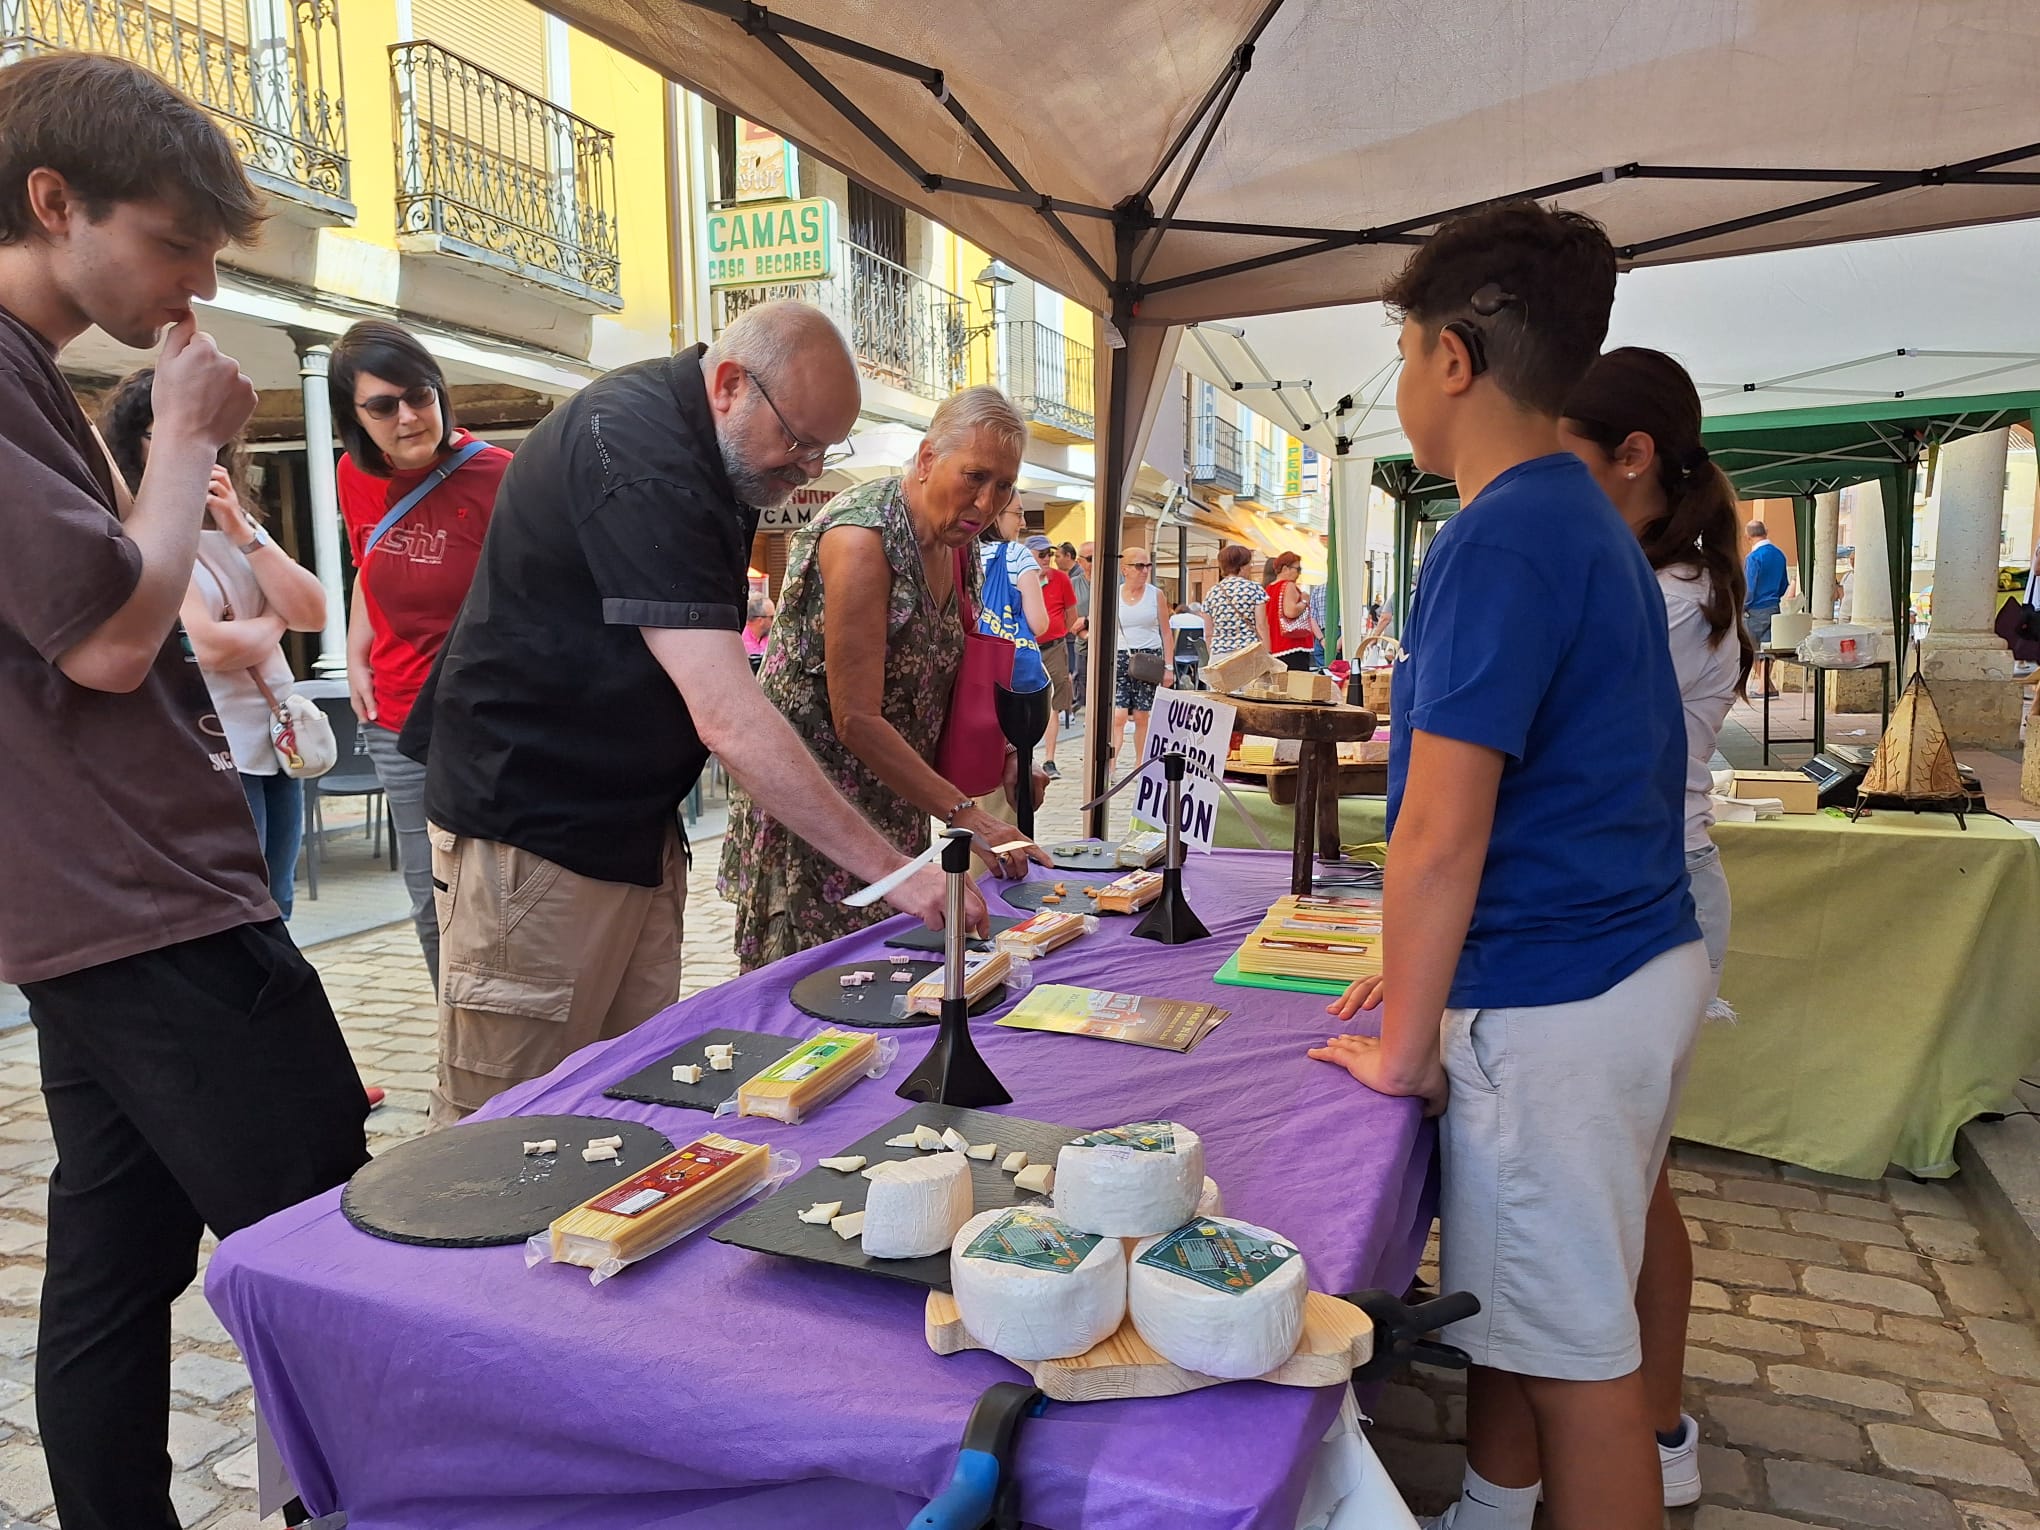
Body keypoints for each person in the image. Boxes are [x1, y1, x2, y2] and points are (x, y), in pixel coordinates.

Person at [0, 52, 368, 1530]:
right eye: (172, 242)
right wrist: (186, 436)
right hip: (142, 893)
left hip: (96, 896)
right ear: (50, 199)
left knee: (112, 1258)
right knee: (343, 1237)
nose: (195, 282)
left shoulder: (34, 369)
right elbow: (104, 639)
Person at [1310, 203, 1708, 1530]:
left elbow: (1441, 827)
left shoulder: (1501, 531)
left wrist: (1407, 1043)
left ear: (1454, 359)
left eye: (1408, 350)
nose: (1405, 381)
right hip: (1605, 966)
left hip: (1558, 995)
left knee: (1579, 1364)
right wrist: (1406, 972)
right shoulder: (1570, 512)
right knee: (1549, 1330)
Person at [400, 299, 957, 1124]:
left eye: (825, 448)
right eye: (797, 442)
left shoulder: (712, 448)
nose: (807, 467)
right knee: (501, 1131)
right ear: (730, 384)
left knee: (628, 1109)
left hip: (628, 829)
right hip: (534, 834)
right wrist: (898, 870)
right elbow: (727, 715)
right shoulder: (641, 451)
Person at [1560, 345, 1753, 1509]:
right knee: (1637, 1179)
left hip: (1649, 890)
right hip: (1654, 883)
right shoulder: (1666, 576)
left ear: (1634, 460)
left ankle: (1649, 1425)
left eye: (1567, 464)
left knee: (1631, 1186)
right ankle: (1648, 1422)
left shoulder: (1668, 597)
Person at [721, 385, 1048, 968]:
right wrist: (964, 814)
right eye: (974, 476)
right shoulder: (861, 537)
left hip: (891, 803)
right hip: (816, 813)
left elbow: (945, 672)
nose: (987, 501)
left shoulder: (957, 539)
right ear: (927, 460)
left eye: (1003, 485)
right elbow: (856, 718)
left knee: (885, 984)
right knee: (815, 1006)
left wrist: (1006, 753)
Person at [100, 367, 327, 919]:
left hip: (277, 744)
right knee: (241, 907)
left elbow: (314, 610)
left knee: (281, 902)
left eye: (208, 432)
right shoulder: (140, 529)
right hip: (212, 745)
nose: (195, 447)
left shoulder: (235, 521)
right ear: (136, 443)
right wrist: (275, 622)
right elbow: (210, 648)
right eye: (167, 431)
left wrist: (242, 532)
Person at [331, 319, 510, 989]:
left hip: (486, 723)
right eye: (382, 405)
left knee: (496, 896)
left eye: (420, 395)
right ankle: (460, 1039)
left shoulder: (500, 478)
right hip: (397, 723)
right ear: (353, 416)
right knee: (430, 898)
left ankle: (516, 1046)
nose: (408, 417)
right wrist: (355, 654)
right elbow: (365, 565)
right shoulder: (354, 475)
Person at [1109, 544, 1173, 767]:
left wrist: (1169, 667)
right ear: (1124, 569)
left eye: (1148, 565)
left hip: (1149, 657)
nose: (1145, 570)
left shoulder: (1156, 595)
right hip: (1121, 655)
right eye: (1139, 566)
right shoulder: (1114, 594)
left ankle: (1139, 763)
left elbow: (1166, 632)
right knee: (1117, 715)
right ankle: (1111, 764)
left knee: (1141, 715)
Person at [1030, 533, 1079, 777]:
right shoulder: (1020, 579)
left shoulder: (1060, 579)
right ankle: (1025, 757)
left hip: (1054, 647)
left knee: (1054, 704)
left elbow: (1071, 614)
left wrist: (1060, 631)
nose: (1047, 558)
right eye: (1041, 554)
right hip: (1027, 647)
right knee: (1025, 701)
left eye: (1049, 554)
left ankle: (1049, 759)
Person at [1743, 517, 1789, 695]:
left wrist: (1743, 606)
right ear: (1766, 532)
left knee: (1751, 648)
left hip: (1754, 609)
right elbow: (1784, 584)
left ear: (1748, 537)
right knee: (1769, 647)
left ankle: (1763, 687)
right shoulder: (1779, 555)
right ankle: (1767, 686)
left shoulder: (1753, 558)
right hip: (1773, 606)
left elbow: (1750, 587)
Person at [1203, 542, 1268, 662]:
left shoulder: (1212, 593)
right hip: (1248, 652)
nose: (1251, 567)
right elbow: (1261, 626)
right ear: (1242, 566)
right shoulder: (1255, 589)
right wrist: (1267, 653)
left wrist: (1213, 654)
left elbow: (1208, 633)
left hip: (1219, 654)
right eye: (1250, 563)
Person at [1263, 549, 1316, 669]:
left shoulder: (1269, 588)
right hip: (1292, 644)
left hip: (1275, 645)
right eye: (1298, 569)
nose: (1299, 573)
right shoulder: (1288, 585)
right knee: (1297, 683)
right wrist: (1304, 601)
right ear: (1285, 569)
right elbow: (1291, 611)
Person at [1061, 539, 1091, 712]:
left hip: (1113, 646)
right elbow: (1070, 619)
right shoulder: (1073, 584)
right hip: (1083, 645)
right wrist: (1085, 634)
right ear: (1080, 561)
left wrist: (1086, 620)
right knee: (1084, 691)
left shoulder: (1116, 580)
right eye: (1091, 558)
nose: (1096, 562)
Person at [742, 595, 774, 662]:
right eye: (772, 617)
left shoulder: (773, 637)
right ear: (760, 620)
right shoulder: (740, 642)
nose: (775, 621)